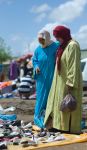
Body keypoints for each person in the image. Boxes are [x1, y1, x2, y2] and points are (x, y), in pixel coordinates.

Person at [44, 25, 82, 134]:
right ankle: (59, 126)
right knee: (60, 106)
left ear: (64, 35)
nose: (56, 39)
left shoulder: (72, 46)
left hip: (68, 84)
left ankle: (69, 129)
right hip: (60, 83)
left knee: (68, 106)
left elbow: (73, 65)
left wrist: (70, 83)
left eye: (58, 36)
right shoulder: (62, 47)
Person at [32, 30, 60, 128]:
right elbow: (34, 60)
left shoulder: (55, 46)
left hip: (53, 77)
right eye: (39, 40)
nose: (41, 42)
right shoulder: (37, 49)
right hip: (41, 78)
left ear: (47, 38)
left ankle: (51, 118)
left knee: (52, 97)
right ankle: (39, 117)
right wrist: (36, 66)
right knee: (41, 97)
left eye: (42, 40)